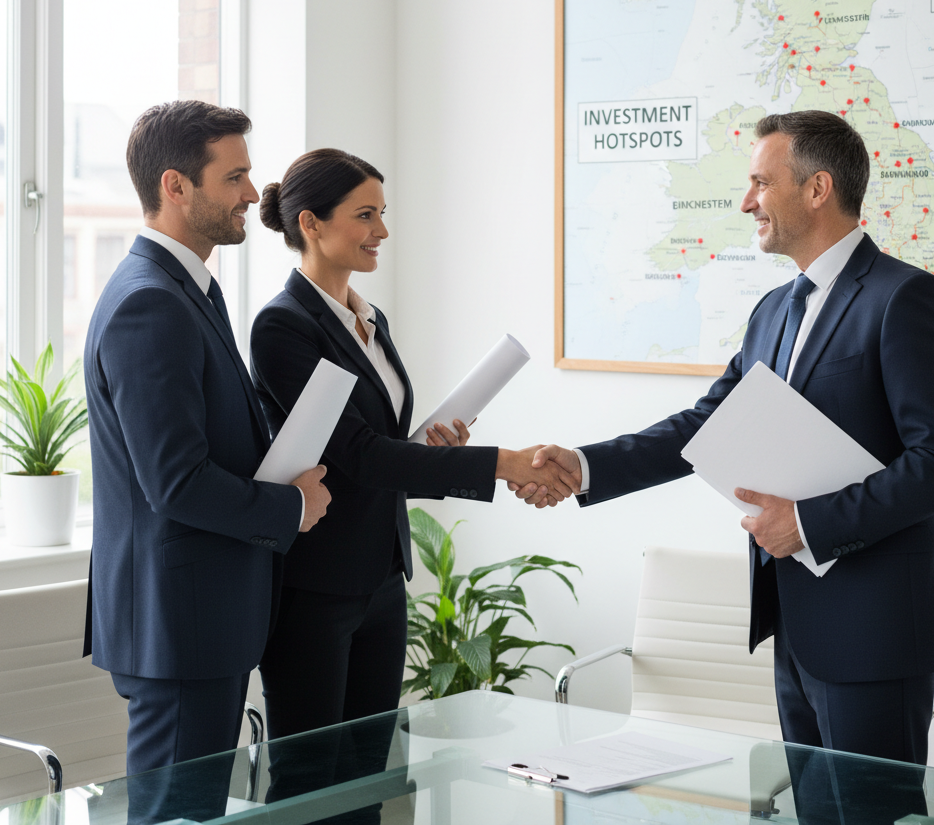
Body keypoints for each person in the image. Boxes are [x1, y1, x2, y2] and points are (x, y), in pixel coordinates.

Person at [515, 109, 934, 767]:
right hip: (794, 627)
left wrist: (810, 524)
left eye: (762, 183)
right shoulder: (773, 311)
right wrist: (584, 466)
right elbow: (704, 425)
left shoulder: (906, 299)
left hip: (877, 631)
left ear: (817, 189)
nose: (746, 201)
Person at [250, 148, 571, 742]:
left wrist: (436, 445)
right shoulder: (283, 327)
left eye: (382, 213)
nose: (383, 231)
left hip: (380, 576)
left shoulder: (370, 320)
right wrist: (502, 464)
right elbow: (361, 454)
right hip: (316, 586)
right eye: (366, 215)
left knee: (371, 769)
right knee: (311, 780)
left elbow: (385, 442)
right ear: (310, 224)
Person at [83, 101, 332, 777]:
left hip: (200, 619)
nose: (254, 193)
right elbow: (176, 481)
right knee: (179, 817)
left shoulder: (188, 289)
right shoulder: (150, 303)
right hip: (180, 625)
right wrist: (290, 507)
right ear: (175, 186)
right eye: (235, 177)